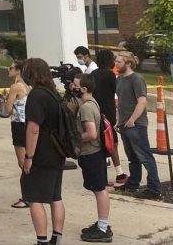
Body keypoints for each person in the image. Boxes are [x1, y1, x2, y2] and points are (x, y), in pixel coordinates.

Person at [21, 57, 66, 245]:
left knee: (34, 197)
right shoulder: (54, 94)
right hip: (57, 152)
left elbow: (33, 128)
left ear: (31, 73)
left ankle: (41, 240)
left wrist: (28, 157)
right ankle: (56, 239)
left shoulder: (36, 95)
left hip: (41, 153)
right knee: (55, 196)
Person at [114, 51, 162, 199]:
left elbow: (142, 101)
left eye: (119, 62)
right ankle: (133, 184)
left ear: (128, 63)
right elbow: (121, 102)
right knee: (132, 158)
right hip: (124, 125)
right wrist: (118, 121)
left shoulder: (137, 79)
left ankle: (154, 189)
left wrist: (132, 120)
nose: (116, 64)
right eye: (116, 61)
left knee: (145, 157)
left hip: (136, 125)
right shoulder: (120, 79)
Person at [72, 73, 112, 242]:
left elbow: (92, 133)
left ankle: (103, 229)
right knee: (99, 189)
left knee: (100, 190)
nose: (72, 88)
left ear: (84, 89)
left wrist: (73, 139)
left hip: (92, 154)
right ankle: (102, 224)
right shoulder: (92, 102)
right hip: (96, 154)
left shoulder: (86, 107)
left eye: (75, 85)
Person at [92, 50, 126, 186]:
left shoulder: (93, 74)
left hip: (95, 111)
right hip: (109, 113)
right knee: (113, 143)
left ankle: (102, 176)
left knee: (99, 144)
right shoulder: (111, 75)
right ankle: (119, 173)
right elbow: (117, 92)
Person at [4, 60, 31, 209]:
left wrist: (7, 99)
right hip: (27, 124)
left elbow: (7, 110)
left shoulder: (15, 86)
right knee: (29, 158)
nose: (9, 70)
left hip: (18, 125)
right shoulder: (28, 86)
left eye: (11, 68)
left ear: (18, 70)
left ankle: (27, 196)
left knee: (23, 163)